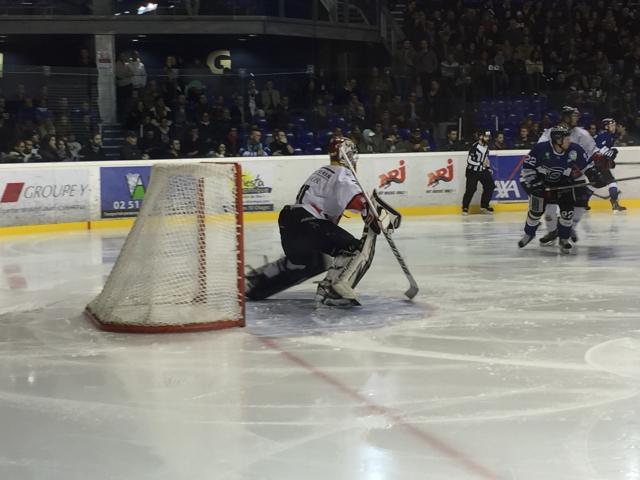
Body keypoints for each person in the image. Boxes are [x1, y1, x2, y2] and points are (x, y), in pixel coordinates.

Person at [245, 137, 400, 307]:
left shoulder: (323, 171)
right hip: (308, 222)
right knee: (354, 249)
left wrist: (368, 212)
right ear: (346, 155)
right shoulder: (343, 173)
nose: (355, 160)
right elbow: (358, 201)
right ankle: (332, 291)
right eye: (352, 155)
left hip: (290, 222)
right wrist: (376, 216)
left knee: (316, 261)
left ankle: (258, 283)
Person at [518, 125, 592, 254]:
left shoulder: (575, 150)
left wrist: (595, 175)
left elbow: (586, 167)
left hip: (564, 183)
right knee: (535, 212)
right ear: (558, 140)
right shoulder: (540, 149)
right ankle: (529, 234)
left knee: (567, 213)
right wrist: (536, 183)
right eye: (566, 138)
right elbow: (527, 168)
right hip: (542, 183)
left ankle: (563, 239)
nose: (569, 140)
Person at [537, 106, 599, 244]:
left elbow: (593, 151)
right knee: (550, 203)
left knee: (582, 200)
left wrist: (596, 166)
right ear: (565, 117)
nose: (577, 118)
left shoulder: (582, 134)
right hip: (555, 174)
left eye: (577, 116)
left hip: (575, 174)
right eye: (574, 116)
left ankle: (570, 227)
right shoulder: (550, 133)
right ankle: (552, 231)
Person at [594, 118, 626, 212]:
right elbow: (597, 148)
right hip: (595, 163)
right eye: (612, 125)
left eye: (614, 125)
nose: (614, 127)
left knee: (595, 184)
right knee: (611, 182)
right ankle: (614, 203)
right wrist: (610, 153)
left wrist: (609, 156)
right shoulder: (604, 135)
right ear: (606, 127)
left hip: (597, 163)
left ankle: (583, 203)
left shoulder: (608, 135)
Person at [461, 131, 494, 215]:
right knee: (471, 189)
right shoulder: (475, 147)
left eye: (488, 137)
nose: (488, 139)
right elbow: (469, 160)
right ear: (481, 137)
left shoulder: (486, 147)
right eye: (486, 137)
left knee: (490, 185)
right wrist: (480, 163)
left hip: (483, 170)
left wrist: (488, 167)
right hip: (472, 171)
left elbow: (486, 158)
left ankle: (484, 206)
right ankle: (465, 207)